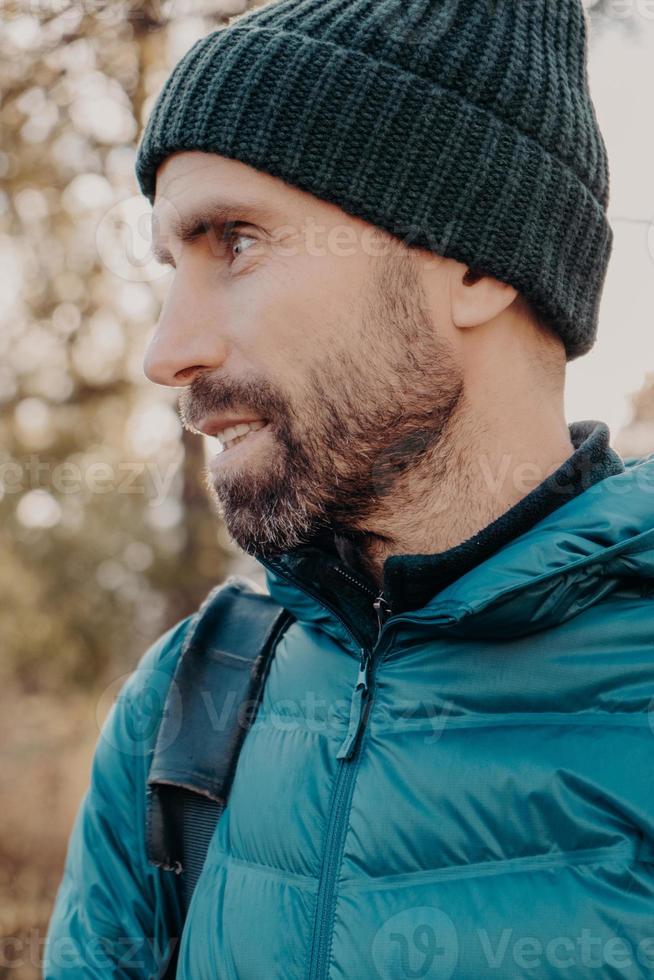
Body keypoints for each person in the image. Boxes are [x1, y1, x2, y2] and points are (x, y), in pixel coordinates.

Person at [46, 0, 654, 977]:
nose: (168, 351)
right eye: (170, 264)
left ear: (472, 257)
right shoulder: (183, 707)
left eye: (234, 240)